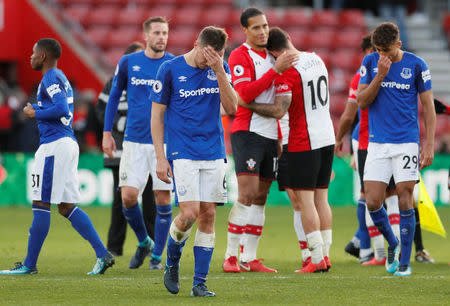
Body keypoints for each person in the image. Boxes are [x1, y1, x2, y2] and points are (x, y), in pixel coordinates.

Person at [0, 38, 114, 275]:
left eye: (33, 52)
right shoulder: (60, 77)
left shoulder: (50, 77)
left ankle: (29, 265)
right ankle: (103, 254)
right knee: (65, 207)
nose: (30, 56)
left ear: (42, 56)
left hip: (54, 146)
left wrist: (35, 111)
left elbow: (61, 108)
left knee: (41, 203)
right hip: (66, 143)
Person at [240, 27, 335, 273]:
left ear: (272, 53)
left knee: (305, 202)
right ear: (290, 39)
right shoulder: (316, 58)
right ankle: (325, 254)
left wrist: (248, 104)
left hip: (305, 139)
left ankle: (315, 260)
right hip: (327, 137)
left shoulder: (287, 72)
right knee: (321, 199)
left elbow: (280, 110)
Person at [151, 26, 237, 297]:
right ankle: (172, 262)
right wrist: (160, 158)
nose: (209, 61)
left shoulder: (218, 67)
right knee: (189, 214)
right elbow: (156, 116)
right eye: (208, 55)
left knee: (209, 214)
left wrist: (220, 70)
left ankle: (199, 282)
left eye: (218, 55)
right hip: (182, 152)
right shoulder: (170, 69)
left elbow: (233, 108)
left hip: (213, 151)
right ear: (197, 44)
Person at [357, 22, 436, 276]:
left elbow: (428, 107)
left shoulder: (417, 65)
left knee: (404, 198)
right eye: (378, 49)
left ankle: (404, 262)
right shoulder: (370, 63)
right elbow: (362, 101)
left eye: (386, 50)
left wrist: (429, 144)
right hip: (377, 142)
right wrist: (380, 75)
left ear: (398, 45)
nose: (382, 55)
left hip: (406, 142)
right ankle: (392, 242)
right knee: (372, 201)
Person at [223, 7, 297, 273]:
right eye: (256, 27)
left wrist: (278, 137)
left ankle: (249, 257)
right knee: (247, 193)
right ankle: (231, 256)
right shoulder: (240, 56)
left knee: (261, 197)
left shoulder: (271, 55)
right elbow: (244, 93)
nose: (263, 31)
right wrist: (274, 70)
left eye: (265, 26)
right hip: (247, 131)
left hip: (269, 134)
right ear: (245, 30)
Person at [102, 17, 174, 270]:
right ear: (146, 35)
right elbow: (113, 97)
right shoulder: (128, 62)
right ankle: (144, 241)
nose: (161, 37)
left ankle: (156, 257)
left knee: (163, 200)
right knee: (129, 197)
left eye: (165, 32)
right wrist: (106, 132)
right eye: (156, 32)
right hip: (133, 141)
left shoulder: (173, 64)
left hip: (163, 144)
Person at [95, 42, 159, 258]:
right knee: (120, 200)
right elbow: (100, 110)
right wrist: (110, 134)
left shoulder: (151, 82)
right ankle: (115, 246)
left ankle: (151, 246)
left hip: (147, 146)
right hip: (120, 150)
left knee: (152, 200)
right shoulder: (113, 83)